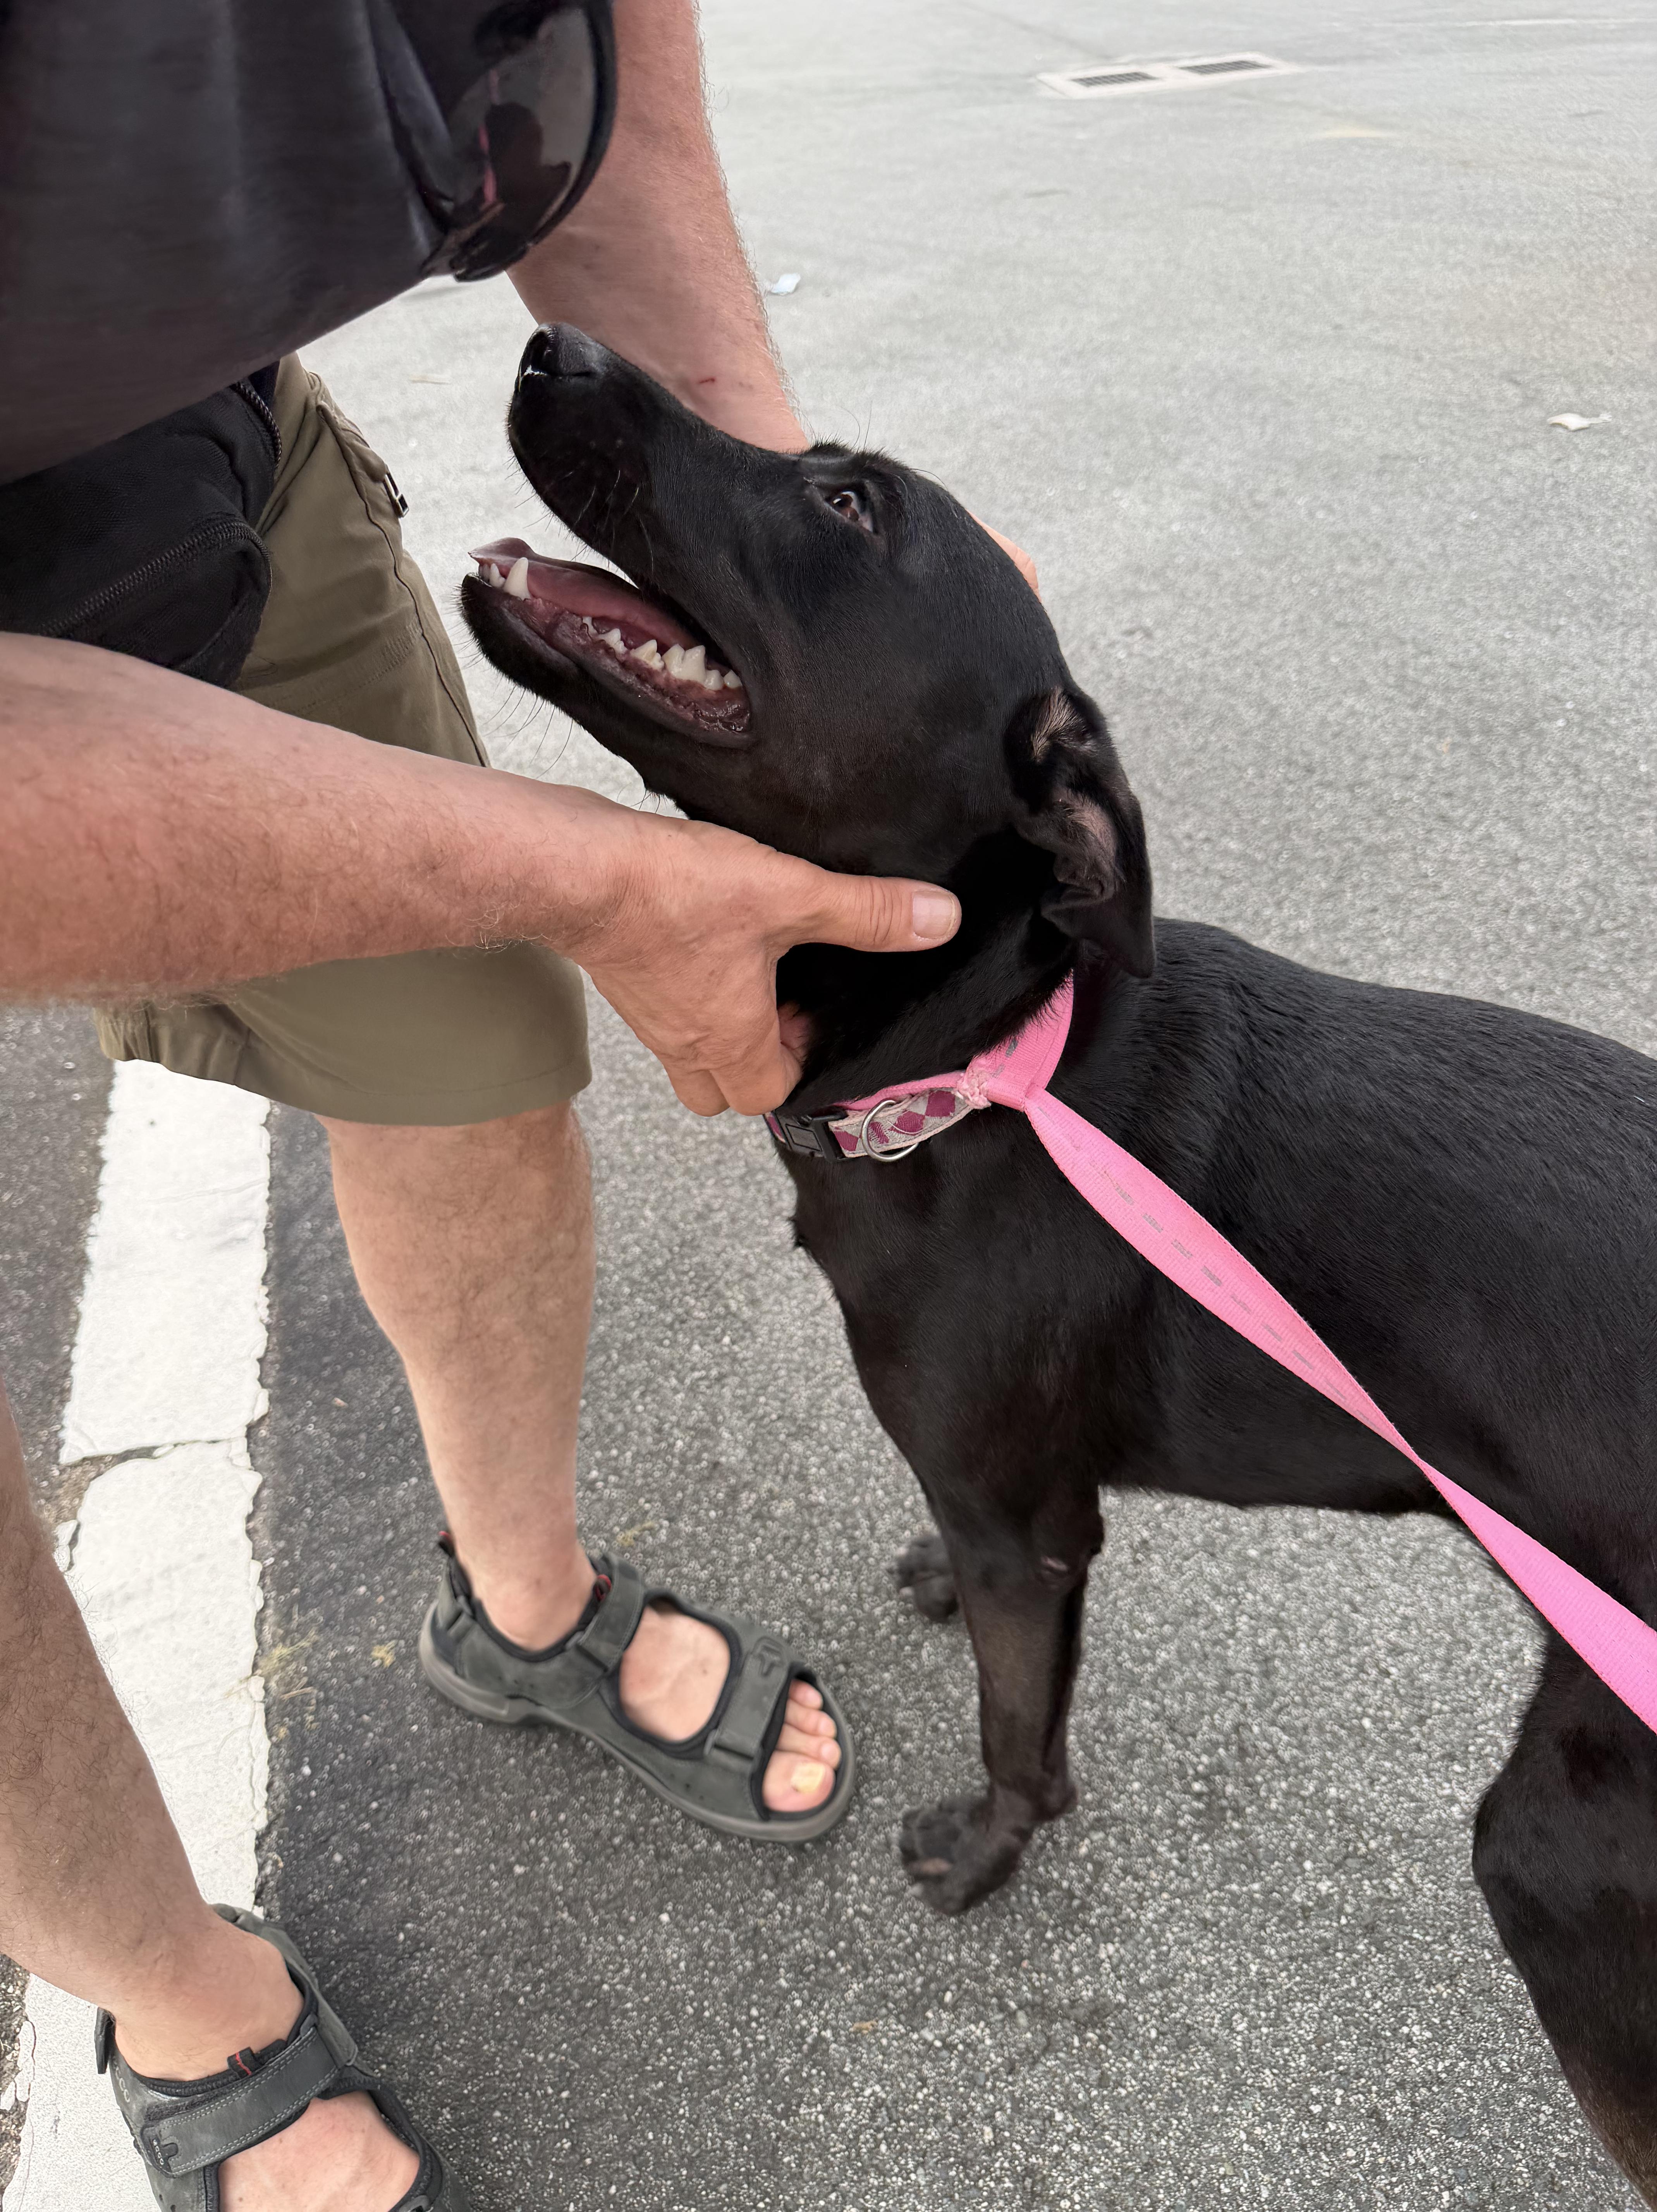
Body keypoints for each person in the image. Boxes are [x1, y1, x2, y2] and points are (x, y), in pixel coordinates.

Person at [0, 3, 1033, 2205]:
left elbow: (612, 99)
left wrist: (799, 586)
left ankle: (527, 1600)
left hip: (169, 477)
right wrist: (593, 876)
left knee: (473, 1067)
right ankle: (178, 1995)